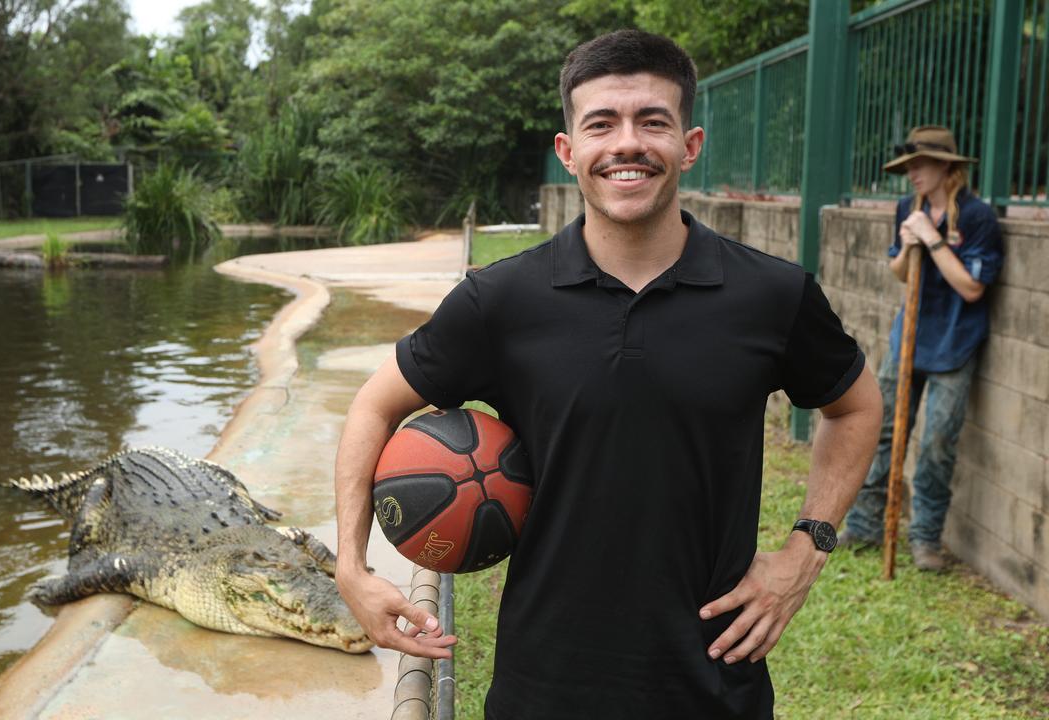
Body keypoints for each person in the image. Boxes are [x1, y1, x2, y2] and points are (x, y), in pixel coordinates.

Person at [333, 29, 882, 719]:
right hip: (543, 688)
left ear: (691, 144)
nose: (627, 143)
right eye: (602, 124)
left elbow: (856, 407)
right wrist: (350, 568)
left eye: (653, 120)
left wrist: (808, 549)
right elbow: (373, 407)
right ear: (570, 152)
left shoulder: (771, 295)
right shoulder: (501, 301)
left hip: (714, 688)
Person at [839, 125, 1004, 571]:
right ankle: (867, 524)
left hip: (955, 343)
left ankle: (926, 539)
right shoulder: (905, 208)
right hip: (906, 339)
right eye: (907, 166)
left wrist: (931, 239)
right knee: (885, 430)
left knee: (936, 442)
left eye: (919, 164)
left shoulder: (976, 217)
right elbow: (900, 272)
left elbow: (971, 288)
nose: (911, 173)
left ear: (945, 166)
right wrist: (908, 244)